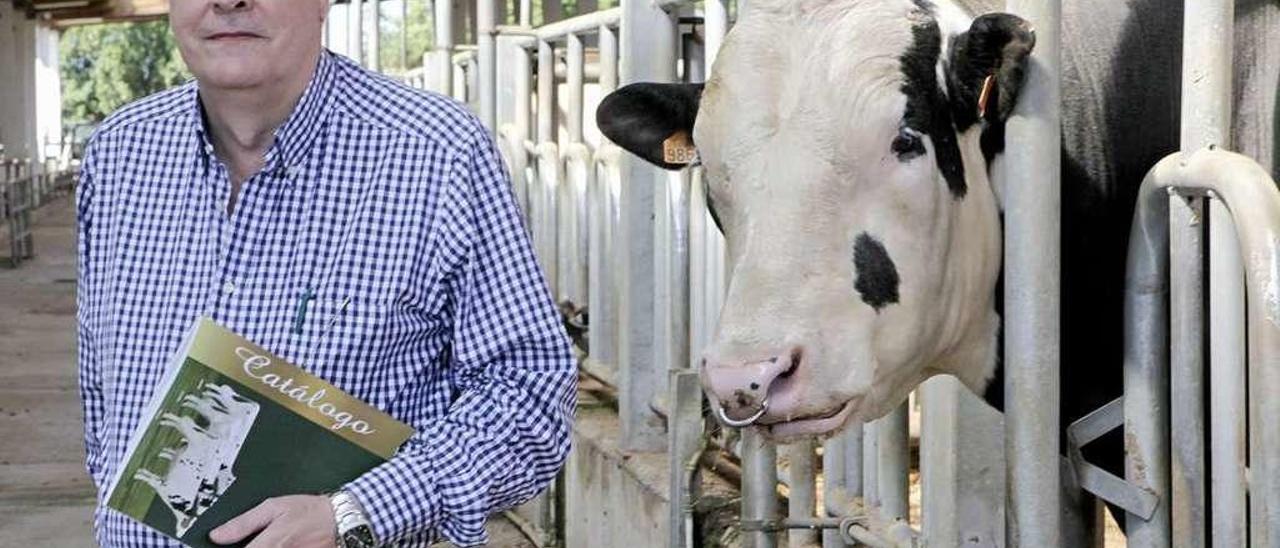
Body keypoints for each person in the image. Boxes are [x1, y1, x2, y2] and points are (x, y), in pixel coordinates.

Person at [74, 0, 577, 546]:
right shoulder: (119, 155)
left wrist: (354, 512)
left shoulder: (438, 155)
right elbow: (102, 398)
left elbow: (530, 394)